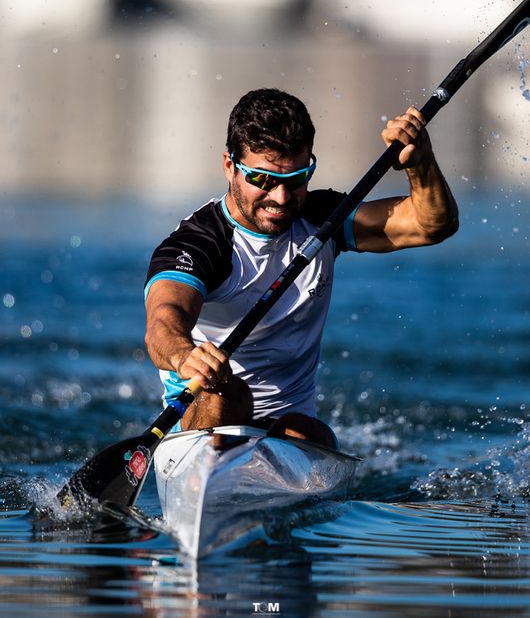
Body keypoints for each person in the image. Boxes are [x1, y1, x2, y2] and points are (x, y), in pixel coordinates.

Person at [144, 88, 458, 448]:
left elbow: (433, 224)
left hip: (287, 426)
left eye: (296, 179)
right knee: (225, 394)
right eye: (263, 179)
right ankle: (209, 471)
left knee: (307, 433)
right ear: (229, 165)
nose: (280, 197)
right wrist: (185, 356)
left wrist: (421, 163)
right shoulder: (199, 243)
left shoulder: (324, 219)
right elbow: (162, 323)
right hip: (209, 414)